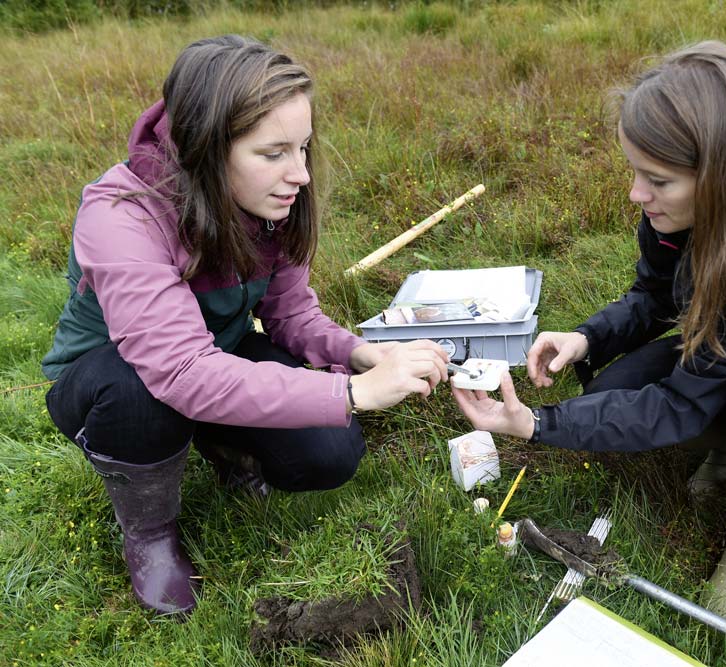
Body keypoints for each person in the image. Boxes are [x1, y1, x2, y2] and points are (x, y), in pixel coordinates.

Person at [452, 41, 726, 628]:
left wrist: (536, 424)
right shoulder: (681, 211)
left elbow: (679, 405)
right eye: (636, 172)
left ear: (720, 177)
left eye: (657, 180)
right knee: (609, 390)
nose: (638, 195)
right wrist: (588, 338)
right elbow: (657, 295)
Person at [41, 35, 450, 616]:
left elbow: (290, 313)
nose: (301, 174)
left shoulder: (272, 204)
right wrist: (354, 392)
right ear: (208, 147)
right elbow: (181, 371)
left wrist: (362, 355)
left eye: (304, 148)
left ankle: (218, 444)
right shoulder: (120, 216)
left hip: (218, 355)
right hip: (111, 381)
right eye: (274, 152)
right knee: (140, 394)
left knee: (329, 452)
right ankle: (151, 533)